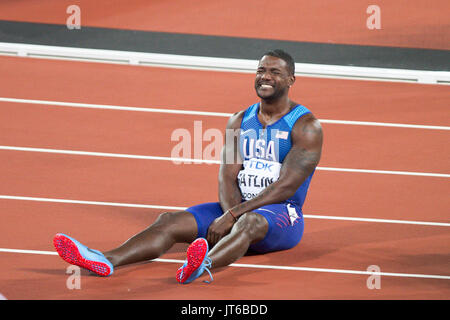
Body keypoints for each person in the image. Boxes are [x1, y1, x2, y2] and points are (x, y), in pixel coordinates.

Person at [53, 49, 323, 284]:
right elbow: (227, 175)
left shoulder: (305, 127)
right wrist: (230, 213)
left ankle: (201, 266)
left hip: (282, 215)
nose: (265, 76)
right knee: (169, 220)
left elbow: (286, 186)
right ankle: (107, 259)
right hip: (237, 208)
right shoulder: (239, 120)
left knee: (249, 223)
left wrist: (233, 216)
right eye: (260, 70)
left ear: (291, 80)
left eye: (274, 72)